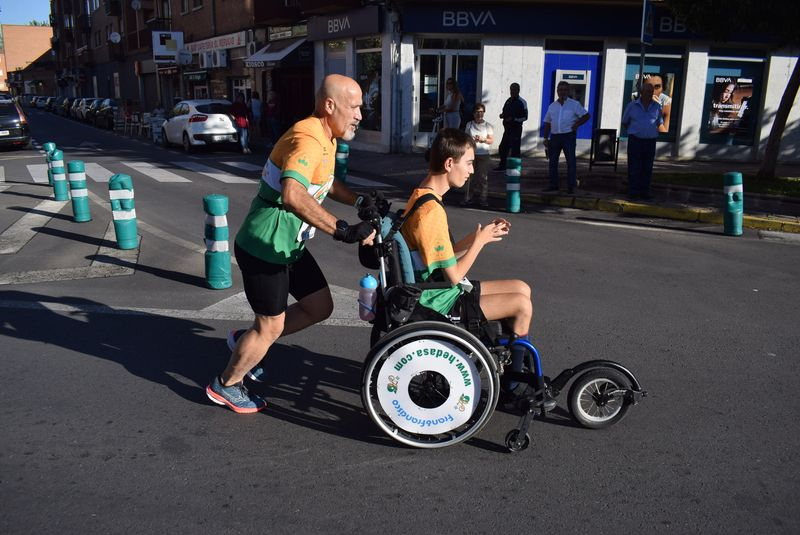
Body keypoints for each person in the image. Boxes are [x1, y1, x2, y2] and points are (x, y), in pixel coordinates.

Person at [206, 74, 381, 413]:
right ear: (329, 106)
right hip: (265, 246)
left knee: (319, 306)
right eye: (354, 107)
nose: (360, 115)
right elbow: (293, 194)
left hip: (289, 245)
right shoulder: (307, 139)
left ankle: (247, 341)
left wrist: (359, 201)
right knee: (271, 325)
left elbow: (326, 182)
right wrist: (343, 230)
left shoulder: (328, 137)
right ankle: (225, 384)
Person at [401, 128, 554, 407]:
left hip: (436, 288)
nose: (472, 170)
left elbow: (442, 255)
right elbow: (454, 275)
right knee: (522, 305)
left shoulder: (423, 196)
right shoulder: (430, 212)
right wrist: (480, 243)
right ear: (450, 163)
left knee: (522, 288)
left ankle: (512, 361)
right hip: (437, 300)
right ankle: (512, 386)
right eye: (469, 163)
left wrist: (479, 236)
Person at [541, 81, 590, 194]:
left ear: (568, 91)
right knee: (553, 162)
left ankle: (571, 186)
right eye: (560, 90)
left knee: (571, 161)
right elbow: (547, 122)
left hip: (568, 136)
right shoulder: (552, 106)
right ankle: (553, 185)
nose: (562, 92)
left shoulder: (574, 104)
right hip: (555, 137)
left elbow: (587, 116)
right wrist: (545, 138)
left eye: (564, 90)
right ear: (557, 91)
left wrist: (577, 124)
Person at [621, 82, 662, 201]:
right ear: (641, 92)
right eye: (647, 91)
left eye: (651, 92)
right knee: (634, 167)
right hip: (635, 141)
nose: (649, 94)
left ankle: (645, 191)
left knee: (647, 167)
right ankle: (633, 191)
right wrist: (635, 131)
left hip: (650, 141)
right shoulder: (632, 106)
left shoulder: (657, 107)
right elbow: (625, 122)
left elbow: (659, 122)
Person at [462, 103, 494, 207]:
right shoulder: (469, 124)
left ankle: (483, 199)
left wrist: (483, 139)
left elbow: (491, 140)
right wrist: (471, 140)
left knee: (483, 177)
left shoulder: (488, 126)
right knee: (470, 177)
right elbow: (465, 139)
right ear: (473, 113)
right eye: (477, 112)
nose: (479, 114)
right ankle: (468, 198)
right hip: (471, 154)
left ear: (484, 113)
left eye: (481, 112)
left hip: (483, 154)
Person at [494, 83, 528, 171]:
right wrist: (502, 115)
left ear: (518, 90)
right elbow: (505, 111)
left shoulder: (522, 102)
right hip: (507, 129)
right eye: (511, 90)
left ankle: (515, 169)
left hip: (516, 129)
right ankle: (502, 166)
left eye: (514, 90)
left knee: (515, 150)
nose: (512, 92)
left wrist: (514, 119)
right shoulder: (508, 101)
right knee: (502, 147)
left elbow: (525, 117)